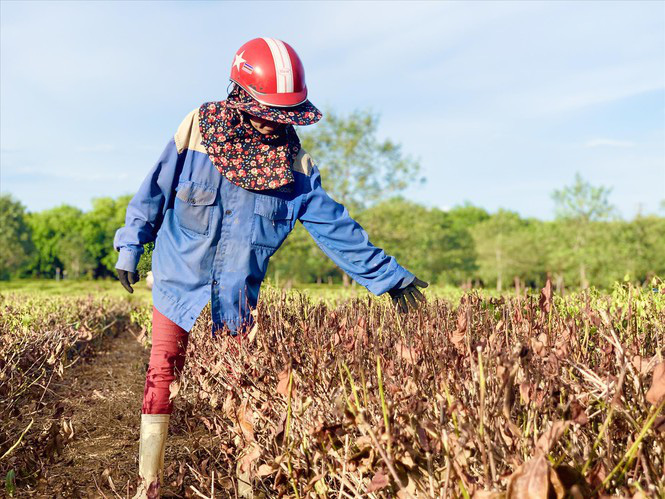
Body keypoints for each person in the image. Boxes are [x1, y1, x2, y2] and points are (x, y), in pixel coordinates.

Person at [113, 37, 428, 498]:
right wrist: (130, 246)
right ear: (241, 96)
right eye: (266, 111)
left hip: (237, 296)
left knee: (245, 385)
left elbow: (335, 227)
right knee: (163, 372)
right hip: (179, 280)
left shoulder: (296, 166)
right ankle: (149, 484)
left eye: (283, 113)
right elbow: (154, 190)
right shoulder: (199, 129)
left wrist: (389, 278)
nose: (273, 123)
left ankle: (243, 484)